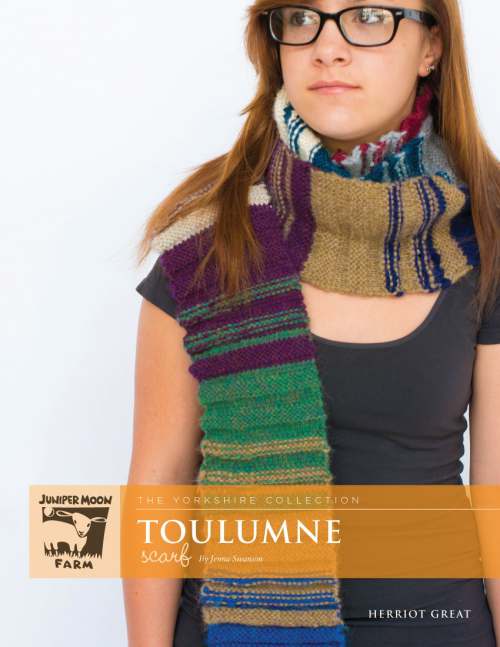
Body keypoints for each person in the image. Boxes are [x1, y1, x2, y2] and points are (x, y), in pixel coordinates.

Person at [124, 1, 500, 645]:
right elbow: (157, 489)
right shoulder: (212, 240)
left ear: (431, 47)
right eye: (302, 18)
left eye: (370, 16)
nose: (328, 47)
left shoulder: (485, 238)